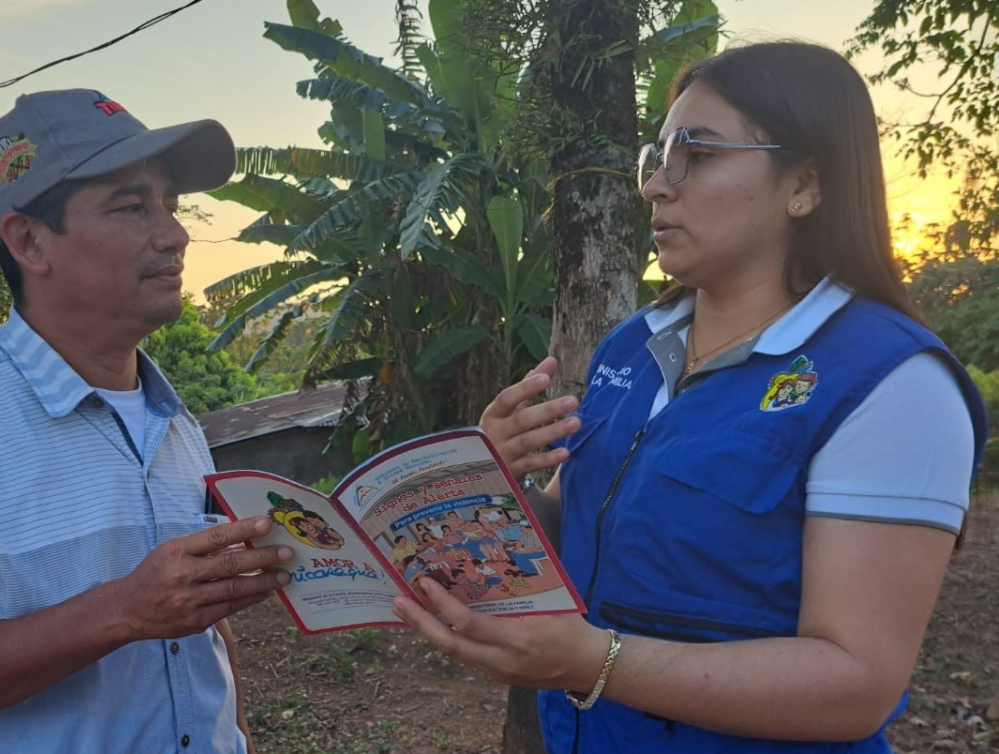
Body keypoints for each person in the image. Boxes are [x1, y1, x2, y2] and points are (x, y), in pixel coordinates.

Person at [392, 42, 989, 754]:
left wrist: (595, 662)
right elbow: (573, 523)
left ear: (805, 183)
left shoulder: (892, 382)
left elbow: (857, 682)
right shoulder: (633, 346)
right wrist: (492, 481)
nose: (656, 187)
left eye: (697, 155)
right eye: (658, 158)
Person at [0, 89, 295, 754]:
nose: (174, 232)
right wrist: (123, 610)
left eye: (168, 202)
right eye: (132, 205)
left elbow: (202, 628)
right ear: (29, 241)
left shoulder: (176, 422)